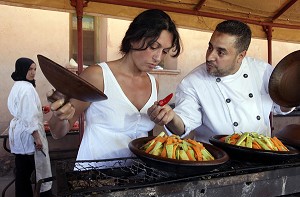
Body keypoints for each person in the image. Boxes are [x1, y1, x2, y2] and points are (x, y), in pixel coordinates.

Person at [47, 9, 181, 164]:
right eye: (153, 46)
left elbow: (144, 138)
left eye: (164, 51)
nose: (158, 57)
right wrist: (59, 116)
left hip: (136, 177)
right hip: (95, 176)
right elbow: (58, 133)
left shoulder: (153, 83)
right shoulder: (98, 76)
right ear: (133, 39)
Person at [147, 20, 294, 143]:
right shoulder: (193, 82)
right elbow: (183, 125)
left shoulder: (262, 71)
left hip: (261, 156)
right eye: (210, 47)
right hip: (216, 159)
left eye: (221, 52)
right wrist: (171, 118)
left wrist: (292, 94)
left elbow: (280, 106)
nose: (210, 56)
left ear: (240, 56)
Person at [7, 58, 53, 197]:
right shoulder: (27, 89)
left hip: (20, 132)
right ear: (22, 69)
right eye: (29, 69)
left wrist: (39, 110)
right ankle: (43, 195)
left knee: (22, 173)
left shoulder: (18, 85)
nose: (33, 72)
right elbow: (28, 115)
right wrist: (37, 137)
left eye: (34, 69)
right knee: (34, 170)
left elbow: (25, 110)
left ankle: (23, 196)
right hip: (28, 135)